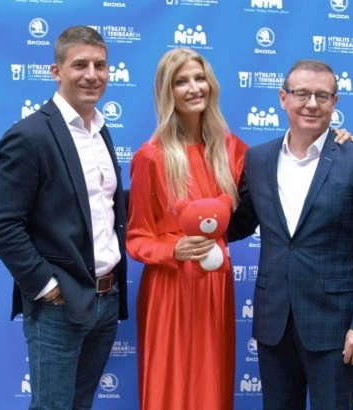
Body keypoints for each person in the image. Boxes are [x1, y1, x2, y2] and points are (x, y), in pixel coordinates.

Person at [229, 59, 353, 410]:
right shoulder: (258, 159)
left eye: (323, 95)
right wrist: (185, 226)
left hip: (335, 328)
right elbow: (240, 222)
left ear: (335, 102)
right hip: (274, 324)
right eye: (302, 93)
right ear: (283, 98)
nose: (312, 104)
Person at [0, 26, 128, 410]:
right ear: (56, 71)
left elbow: (98, 207)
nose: (92, 75)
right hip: (59, 306)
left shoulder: (100, 132)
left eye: (100, 65)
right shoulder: (29, 135)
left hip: (106, 300)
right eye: (80, 65)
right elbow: (2, 224)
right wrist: (48, 286)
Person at [126, 48, 247, 410]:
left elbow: (285, 164)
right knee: (170, 387)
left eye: (199, 78)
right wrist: (172, 250)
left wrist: (335, 139)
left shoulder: (231, 149)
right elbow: (136, 237)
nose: (194, 88)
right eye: (181, 82)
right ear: (168, 92)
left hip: (215, 287)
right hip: (169, 288)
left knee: (211, 385)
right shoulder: (150, 156)